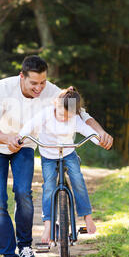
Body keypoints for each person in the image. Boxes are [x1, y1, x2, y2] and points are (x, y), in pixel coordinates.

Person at [0, 56, 113, 257]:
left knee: (23, 194)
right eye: (34, 83)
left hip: (25, 146)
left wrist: (100, 133)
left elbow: (81, 116)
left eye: (43, 83)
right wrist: (8, 139)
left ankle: (25, 247)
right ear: (22, 77)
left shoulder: (51, 92)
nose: (39, 88)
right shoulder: (1, 88)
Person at [19, 88, 103, 245]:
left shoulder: (74, 117)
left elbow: (87, 130)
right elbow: (31, 125)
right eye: (61, 114)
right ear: (54, 104)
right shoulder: (46, 113)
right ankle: (48, 225)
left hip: (68, 153)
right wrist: (21, 136)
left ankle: (87, 217)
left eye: (68, 116)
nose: (65, 118)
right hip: (48, 155)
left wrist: (99, 140)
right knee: (49, 187)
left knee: (77, 179)